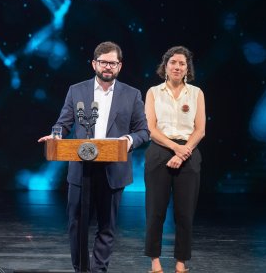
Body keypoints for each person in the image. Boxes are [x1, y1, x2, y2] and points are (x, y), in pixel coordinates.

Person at [38, 41, 149, 272]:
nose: (108, 67)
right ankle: (81, 269)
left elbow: (143, 131)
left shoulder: (132, 94)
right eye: (103, 62)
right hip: (81, 169)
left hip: (114, 170)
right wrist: (55, 136)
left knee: (107, 226)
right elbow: (63, 123)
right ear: (94, 64)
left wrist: (128, 141)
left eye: (113, 63)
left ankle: (99, 270)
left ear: (120, 66)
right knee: (76, 223)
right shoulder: (76, 90)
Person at [143, 46, 206, 273]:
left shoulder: (197, 93)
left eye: (182, 63)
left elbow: (200, 130)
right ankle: (155, 263)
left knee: (184, 213)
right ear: (165, 66)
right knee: (155, 211)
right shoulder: (153, 92)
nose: (177, 67)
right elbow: (150, 128)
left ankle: (181, 264)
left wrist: (184, 152)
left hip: (189, 153)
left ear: (187, 68)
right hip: (160, 150)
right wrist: (174, 149)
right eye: (173, 63)